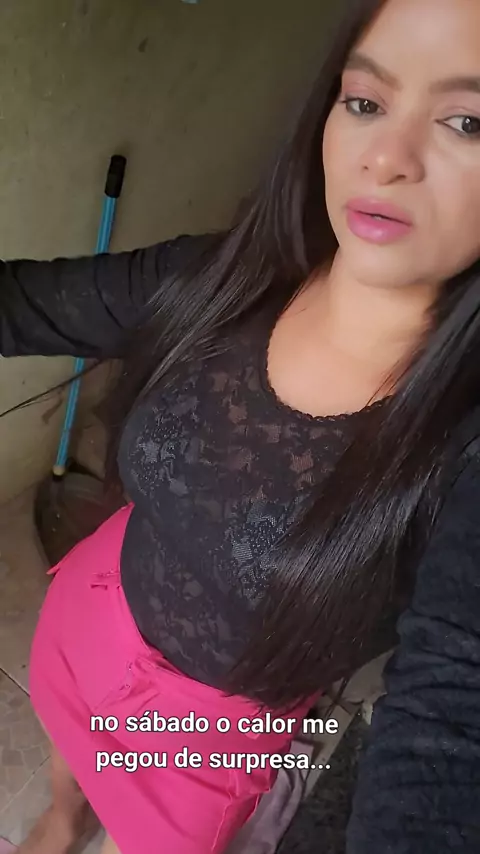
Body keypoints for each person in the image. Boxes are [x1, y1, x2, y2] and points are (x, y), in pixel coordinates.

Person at [2, 0, 480, 850]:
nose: (384, 157)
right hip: (95, 608)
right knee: (67, 734)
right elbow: (20, 303)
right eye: (365, 101)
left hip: (207, 737)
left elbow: (451, 720)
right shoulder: (222, 279)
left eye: (466, 122)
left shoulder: (465, 442)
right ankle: (67, 811)